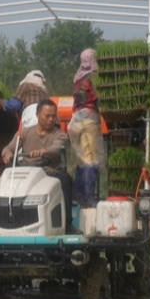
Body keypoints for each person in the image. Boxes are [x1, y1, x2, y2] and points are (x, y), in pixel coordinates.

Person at [1, 99, 75, 232]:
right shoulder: (24, 132)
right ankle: (7, 219)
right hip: (26, 173)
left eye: (54, 116)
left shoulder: (60, 135)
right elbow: (8, 148)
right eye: (47, 116)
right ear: (37, 115)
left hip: (49, 173)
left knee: (65, 179)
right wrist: (7, 155)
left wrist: (44, 152)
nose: (51, 119)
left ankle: (67, 223)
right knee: (5, 179)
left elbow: (56, 148)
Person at [68, 48, 103, 208]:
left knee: (82, 160)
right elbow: (96, 99)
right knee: (91, 160)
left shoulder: (78, 78)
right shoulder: (92, 78)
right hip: (89, 120)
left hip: (75, 121)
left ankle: (79, 196)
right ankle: (88, 198)